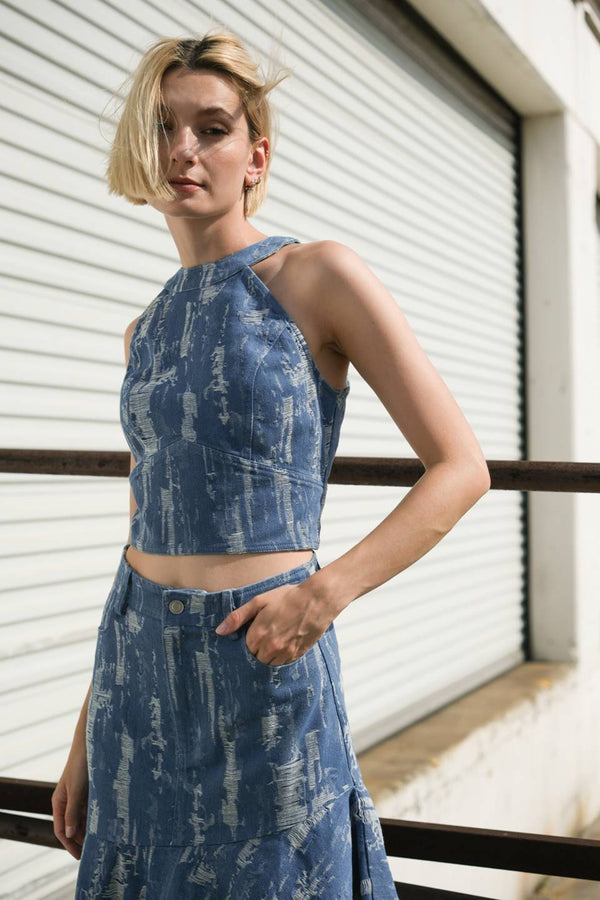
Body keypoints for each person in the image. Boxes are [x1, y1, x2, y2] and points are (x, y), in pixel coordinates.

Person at [51, 27, 490, 899]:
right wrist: (83, 741)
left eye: (211, 128)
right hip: (137, 677)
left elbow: (461, 467)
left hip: (263, 658)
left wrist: (323, 598)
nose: (183, 149)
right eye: (165, 127)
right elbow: (145, 526)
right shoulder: (142, 332)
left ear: (256, 153)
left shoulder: (315, 275)